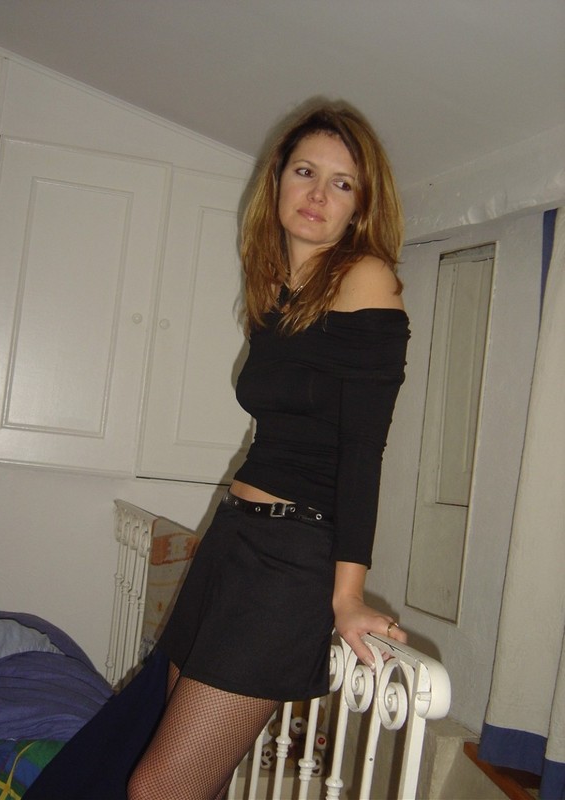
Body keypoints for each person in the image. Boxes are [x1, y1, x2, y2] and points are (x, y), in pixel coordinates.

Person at [23, 101, 410, 800]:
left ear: (361, 206)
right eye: (305, 171)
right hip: (232, 543)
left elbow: (363, 451)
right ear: (277, 179)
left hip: (288, 564)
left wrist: (348, 595)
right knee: (178, 765)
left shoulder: (366, 278)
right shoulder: (275, 290)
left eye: (342, 183)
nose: (318, 194)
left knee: (157, 787)